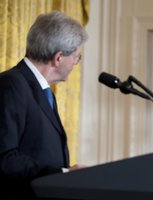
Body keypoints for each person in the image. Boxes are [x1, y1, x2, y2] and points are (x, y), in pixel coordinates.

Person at [0, 11, 88, 199]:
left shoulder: (43, 91)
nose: (75, 64)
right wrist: (64, 174)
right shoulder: (10, 85)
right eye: (76, 57)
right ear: (58, 58)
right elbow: (5, 158)